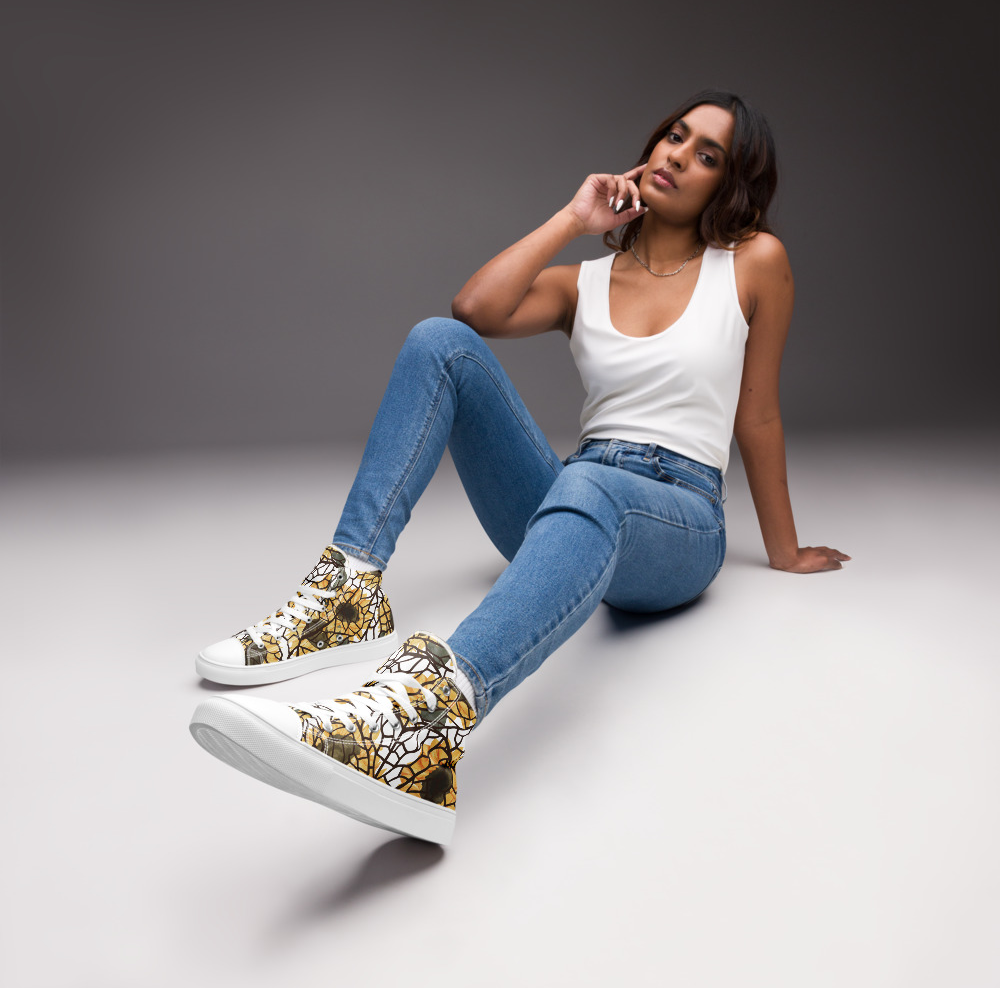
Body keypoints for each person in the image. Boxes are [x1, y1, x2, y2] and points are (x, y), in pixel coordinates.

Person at [190, 90, 850, 846]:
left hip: (679, 521)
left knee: (591, 485)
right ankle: (346, 594)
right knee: (438, 342)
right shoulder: (585, 282)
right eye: (674, 135)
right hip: (574, 499)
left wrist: (784, 550)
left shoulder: (754, 262)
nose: (677, 155)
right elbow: (474, 309)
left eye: (707, 155)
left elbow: (757, 416)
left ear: (727, 184)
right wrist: (573, 219)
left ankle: (423, 724)